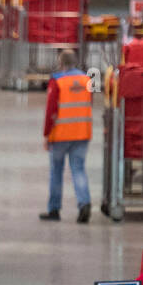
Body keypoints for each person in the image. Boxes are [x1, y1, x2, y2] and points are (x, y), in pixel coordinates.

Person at [41, 49, 93, 223]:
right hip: (82, 133)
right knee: (78, 169)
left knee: (56, 171)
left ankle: (54, 209)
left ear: (61, 63)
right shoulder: (87, 80)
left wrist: (47, 134)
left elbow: (51, 111)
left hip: (61, 134)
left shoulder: (57, 81)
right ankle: (84, 203)